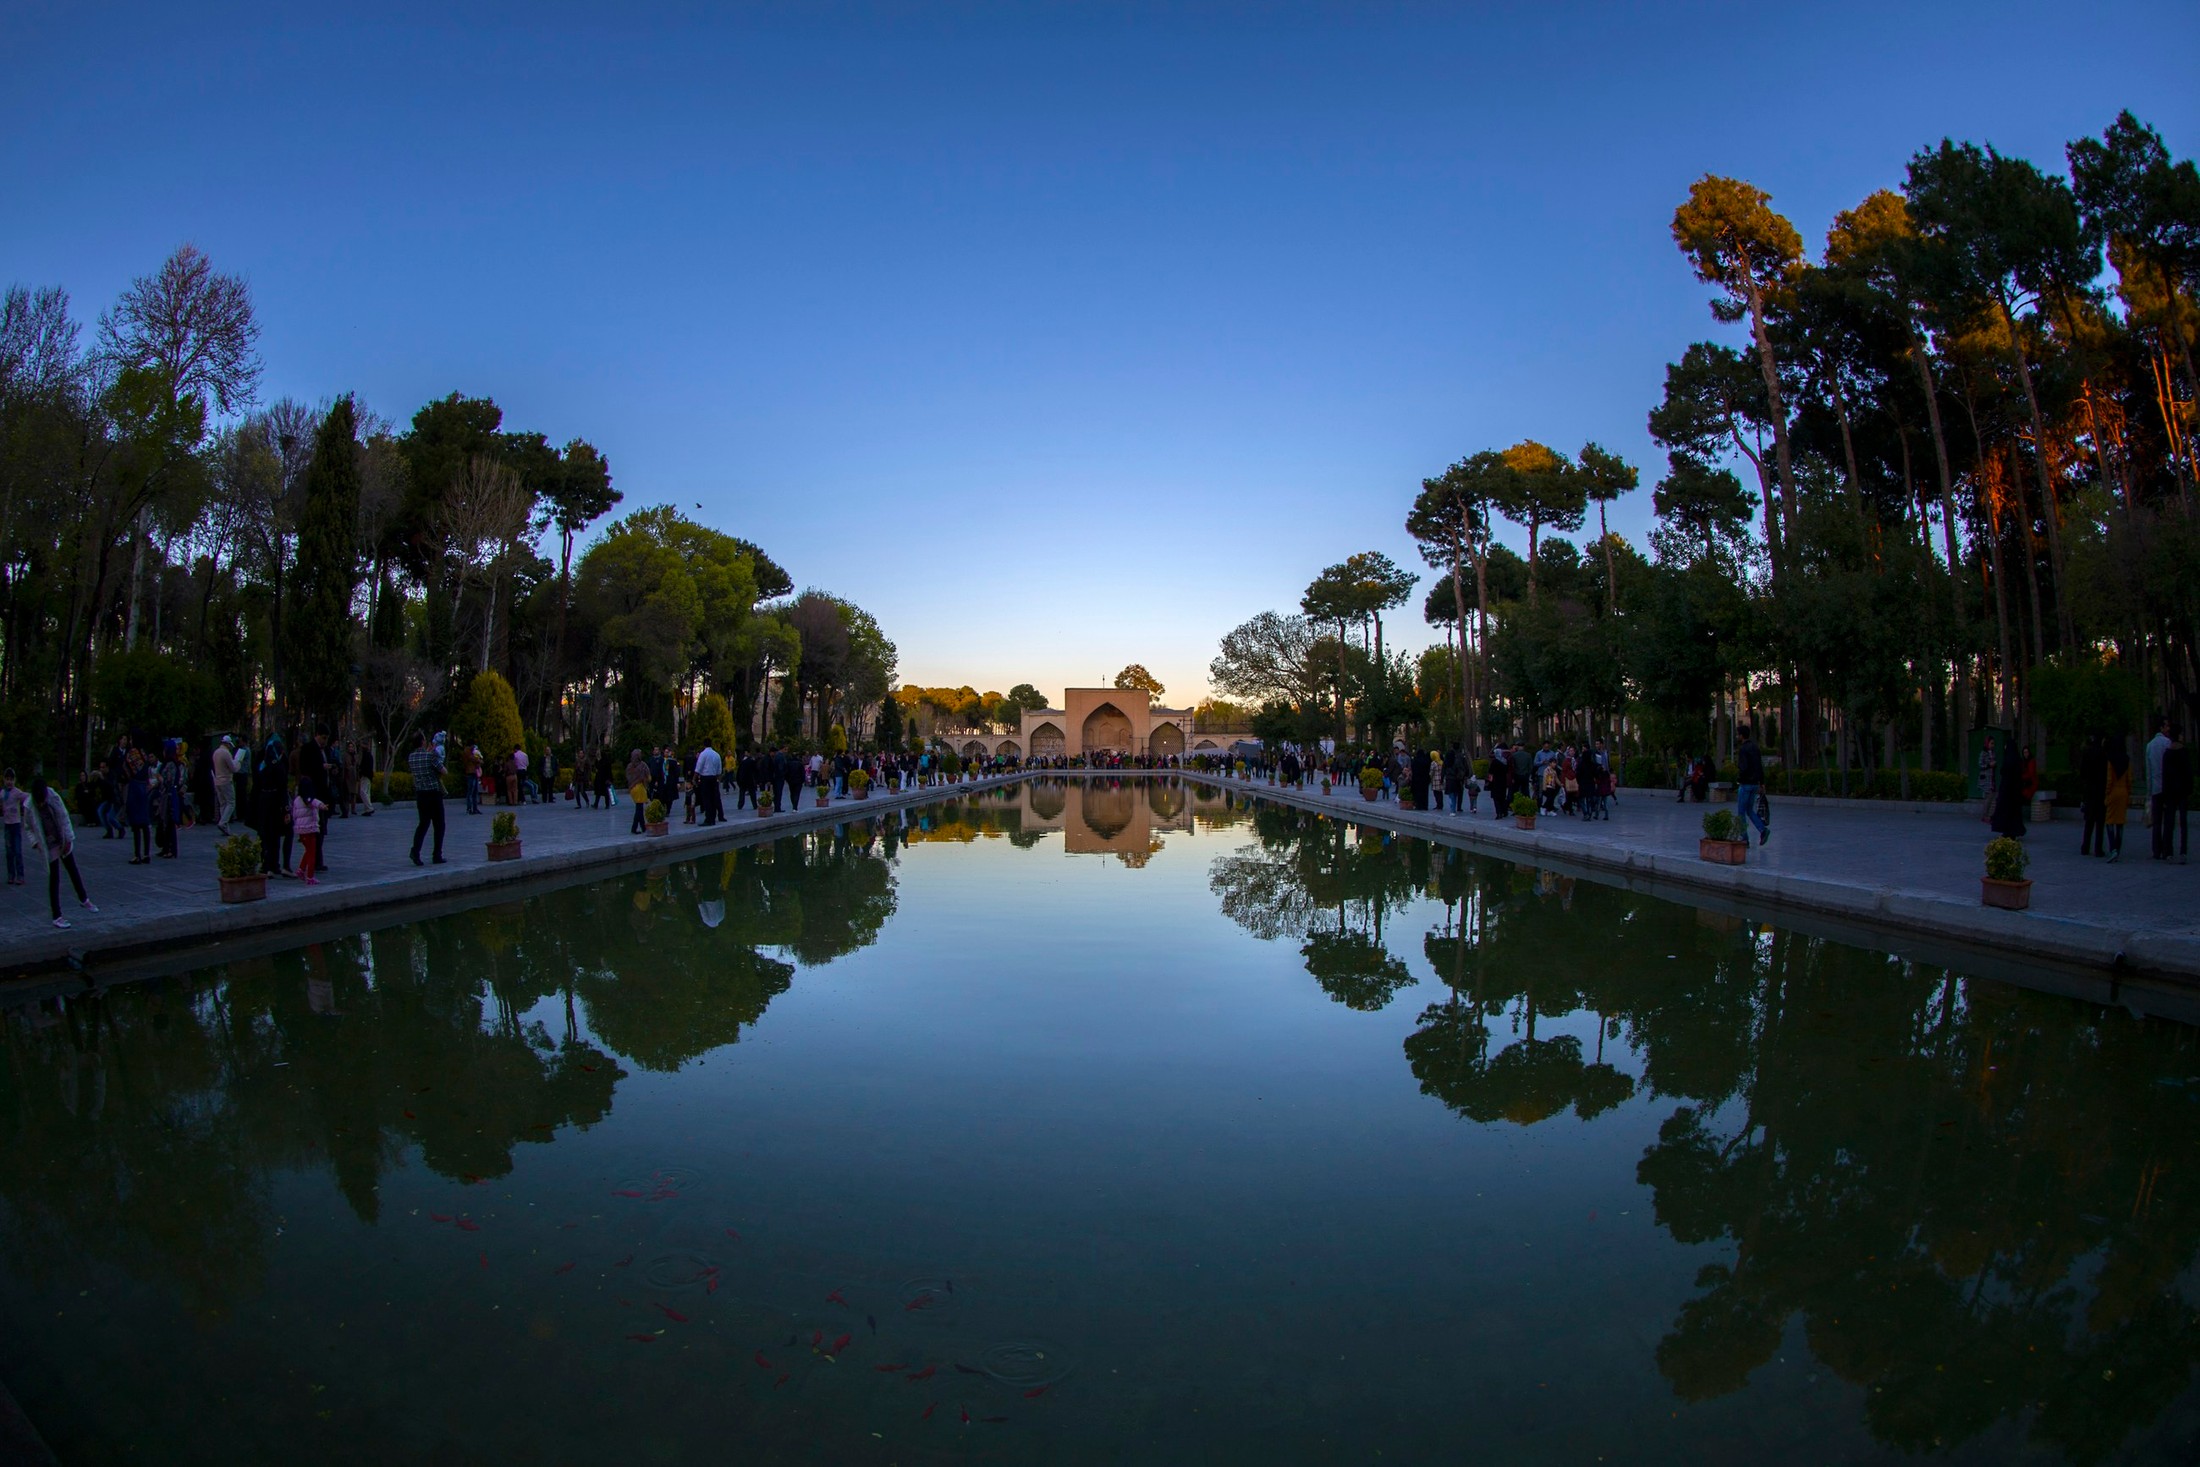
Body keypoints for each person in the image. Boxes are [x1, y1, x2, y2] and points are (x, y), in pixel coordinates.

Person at [25, 772, 95, 929]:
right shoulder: (29, 806)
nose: (41, 804)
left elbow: (64, 817)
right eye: (39, 802)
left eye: (43, 801)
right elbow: (28, 827)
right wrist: (34, 842)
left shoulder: (52, 796)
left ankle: (84, 899)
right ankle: (57, 915)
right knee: (54, 878)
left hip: (61, 838)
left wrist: (69, 839)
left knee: (72, 869)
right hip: (48, 844)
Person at [408, 731, 448, 865]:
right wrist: (433, 755)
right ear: (423, 742)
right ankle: (437, 854)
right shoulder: (430, 756)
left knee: (423, 824)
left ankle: (415, 851)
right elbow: (444, 771)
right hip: (433, 793)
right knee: (439, 825)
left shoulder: (411, 757)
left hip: (421, 794)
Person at [1735, 724, 1769, 846]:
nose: (1736, 736)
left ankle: (1744, 838)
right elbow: (1759, 766)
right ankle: (1763, 830)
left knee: (1741, 812)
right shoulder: (1755, 748)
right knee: (1749, 810)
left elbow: (1743, 767)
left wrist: (1740, 778)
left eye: (1738, 734)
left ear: (1741, 735)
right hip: (1755, 784)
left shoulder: (1743, 749)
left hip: (1746, 784)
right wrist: (1762, 782)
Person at [2147, 716, 2174, 860]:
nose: (2168, 729)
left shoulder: (2150, 745)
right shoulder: (2168, 743)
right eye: (2166, 726)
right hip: (2167, 786)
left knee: (2156, 820)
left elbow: (2149, 771)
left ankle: (2156, 850)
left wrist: (2149, 791)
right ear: (2161, 728)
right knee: (2168, 820)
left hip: (2156, 787)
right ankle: (2167, 849)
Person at [2162, 728, 2191, 864]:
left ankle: (2168, 852)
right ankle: (2183, 851)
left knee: (2169, 822)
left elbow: (2165, 776)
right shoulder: (2184, 752)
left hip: (2170, 792)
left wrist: (2165, 793)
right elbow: (2188, 773)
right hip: (2183, 791)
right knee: (2183, 822)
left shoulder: (2167, 754)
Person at [2103, 736, 2131, 863]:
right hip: (2123, 791)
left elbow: (2109, 780)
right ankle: (2118, 849)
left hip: (2113, 791)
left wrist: (2107, 794)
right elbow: (2129, 779)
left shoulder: (2111, 761)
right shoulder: (2127, 760)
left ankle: (2112, 847)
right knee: (2120, 822)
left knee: (2109, 821)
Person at [291, 784, 328, 884]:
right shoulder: (310, 799)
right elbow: (317, 803)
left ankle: (301, 869)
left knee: (308, 850)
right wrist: (323, 806)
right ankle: (310, 877)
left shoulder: (296, 800)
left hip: (300, 830)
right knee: (312, 853)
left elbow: (294, 815)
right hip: (310, 829)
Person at [2078, 734, 2107, 858]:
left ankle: (2085, 846)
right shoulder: (2103, 753)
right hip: (2100, 789)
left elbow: (2083, 772)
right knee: (2100, 821)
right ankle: (2098, 848)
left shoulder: (2086, 752)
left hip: (2089, 789)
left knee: (2089, 820)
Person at [0, 768, 26, 886]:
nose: (9, 782)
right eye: (7, 779)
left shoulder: (17, 792)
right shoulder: (2, 793)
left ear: (14, 780)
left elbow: (26, 797)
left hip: (15, 825)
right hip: (7, 825)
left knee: (17, 851)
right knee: (9, 851)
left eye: (11, 779)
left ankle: (20, 875)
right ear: (4, 780)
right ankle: (11, 874)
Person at [693, 739, 725, 825]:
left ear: (704, 745)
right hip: (714, 778)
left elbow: (698, 767)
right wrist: (718, 779)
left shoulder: (703, 754)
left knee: (706, 799)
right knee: (713, 798)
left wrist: (694, 778)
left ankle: (708, 819)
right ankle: (713, 817)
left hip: (705, 778)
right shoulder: (716, 754)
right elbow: (719, 769)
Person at [212, 735, 238, 834]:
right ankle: (223, 822)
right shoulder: (226, 753)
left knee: (222, 803)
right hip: (226, 780)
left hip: (217, 780)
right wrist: (237, 762)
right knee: (231, 802)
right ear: (227, 744)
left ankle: (225, 828)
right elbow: (233, 768)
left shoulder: (216, 752)